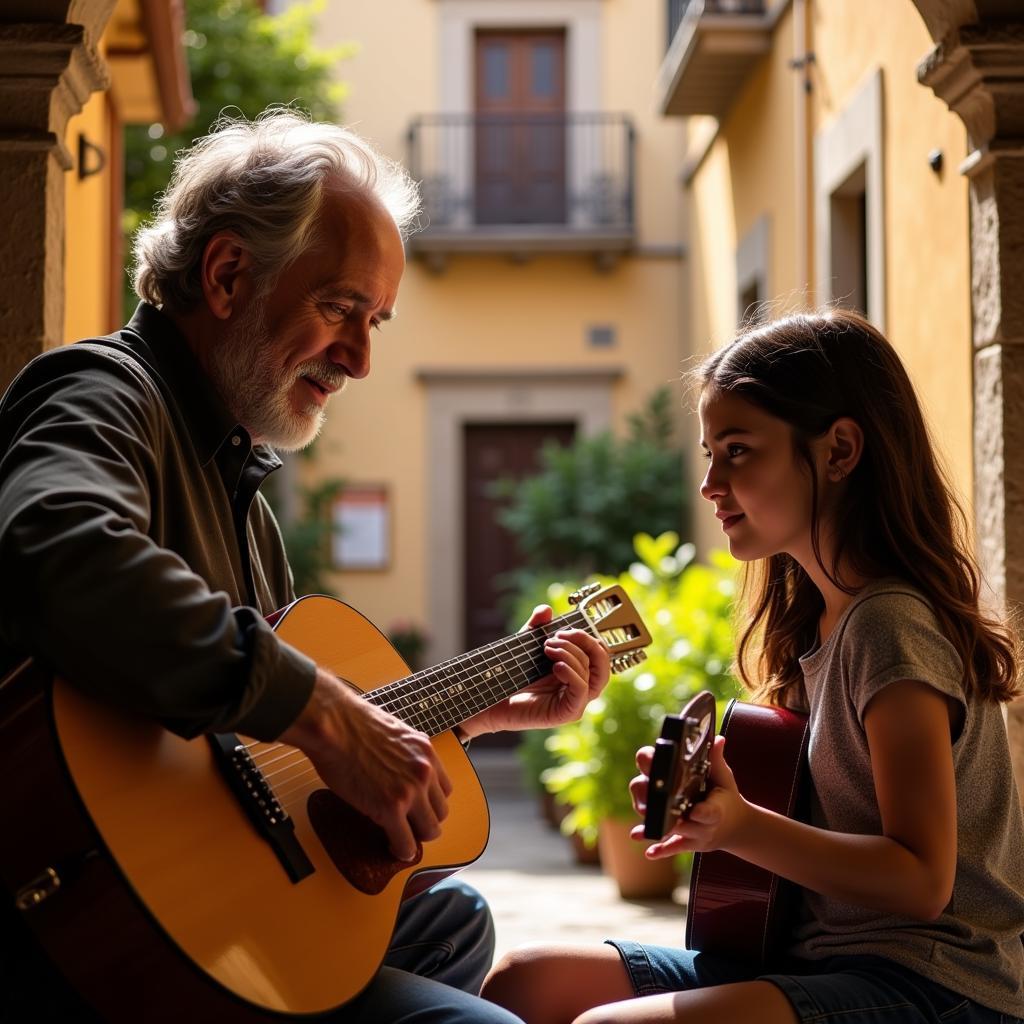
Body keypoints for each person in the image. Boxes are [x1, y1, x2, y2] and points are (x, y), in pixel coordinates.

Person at [0, 109, 610, 1023]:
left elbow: (263, 757)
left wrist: (478, 713)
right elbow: (60, 546)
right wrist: (326, 714)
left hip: (201, 881)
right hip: (96, 911)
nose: (361, 358)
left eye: (377, 322)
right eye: (339, 309)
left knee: (450, 922)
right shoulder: (103, 392)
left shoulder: (238, 484)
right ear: (227, 274)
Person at [480, 309, 1024, 1024]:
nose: (709, 481)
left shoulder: (891, 626)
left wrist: (740, 827)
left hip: (934, 985)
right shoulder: (815, 624)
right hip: (815, 959)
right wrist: (711, 804)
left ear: (839, 451)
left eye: (736, 450)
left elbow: (922, 880)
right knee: (524, 982)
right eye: (710, 452)